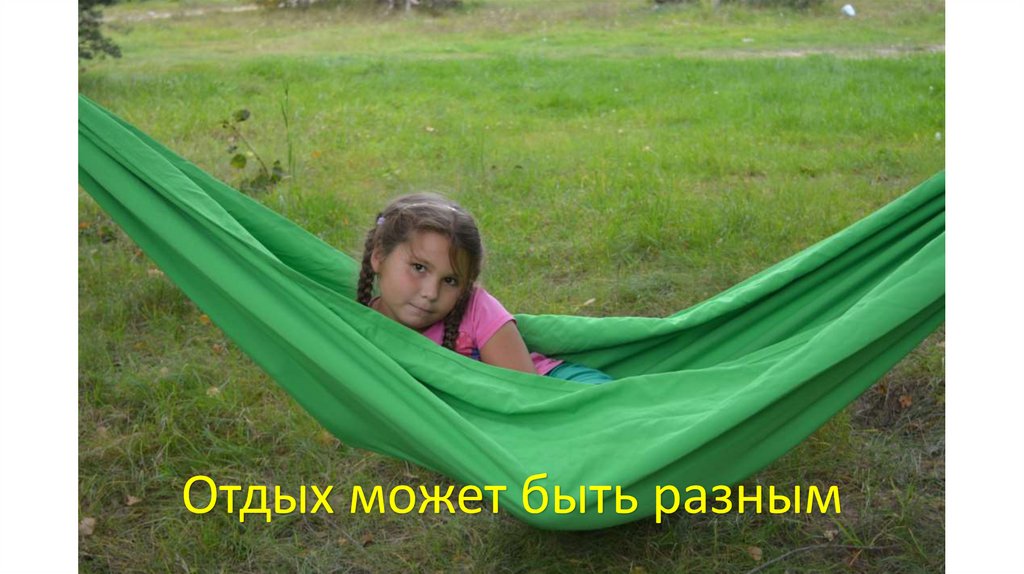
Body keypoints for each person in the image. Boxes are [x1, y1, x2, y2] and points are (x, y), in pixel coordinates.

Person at [356, 193, 613, 384]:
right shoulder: (353, 331)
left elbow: (527, 392)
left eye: (450, 281)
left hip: (558, 389)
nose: (430, 293)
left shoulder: (477, 308)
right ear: (379, 257)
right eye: (419, 268)